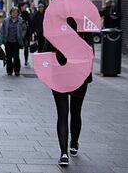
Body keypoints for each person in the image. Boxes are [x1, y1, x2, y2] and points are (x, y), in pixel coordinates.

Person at [42, 18, 93, 166]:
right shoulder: (84, 31)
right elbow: (90, 53)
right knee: (76, 112)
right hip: (80, 75)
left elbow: (46, 52)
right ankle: (74, 143)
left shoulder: (56, 31)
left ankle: (63, 153)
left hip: (59, 75)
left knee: (62, 115)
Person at [0, 6, 27, 76]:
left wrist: (21, 36)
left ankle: (17, 70)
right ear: (11, 13)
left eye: (16, 12)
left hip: (16, 42)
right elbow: (2, 31)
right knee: (8, 57)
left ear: (18, 13)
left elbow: (24, 29)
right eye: (13, 12)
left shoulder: (21, 21)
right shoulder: (6, 21)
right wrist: (0, 41)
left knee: (16, 56)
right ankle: (9, 71)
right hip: (8, 41)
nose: (14, 14)